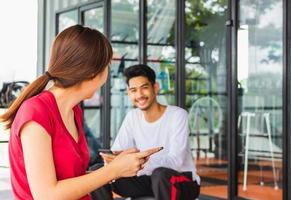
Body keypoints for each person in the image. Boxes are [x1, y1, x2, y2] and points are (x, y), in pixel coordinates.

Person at [0, 25, 161, 200]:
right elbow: (46, 195)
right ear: (92, 72)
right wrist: (113, 170)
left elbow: (69, 179)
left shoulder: (73, 110)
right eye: (107, 65)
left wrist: (118, 166)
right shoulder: (35, 112)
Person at [94, 64, 200, 200]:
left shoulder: (177, 115)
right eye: (133, 90)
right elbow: (117, 151)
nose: (139, 95)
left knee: (160, 175)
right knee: (98, 170)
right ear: (128, 93)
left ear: (155, 88)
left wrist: (138, 161)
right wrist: (112, 160)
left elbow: (176, 161)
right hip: (145, 179)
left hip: (181, 180)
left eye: (144, 88)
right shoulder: (132, 117)